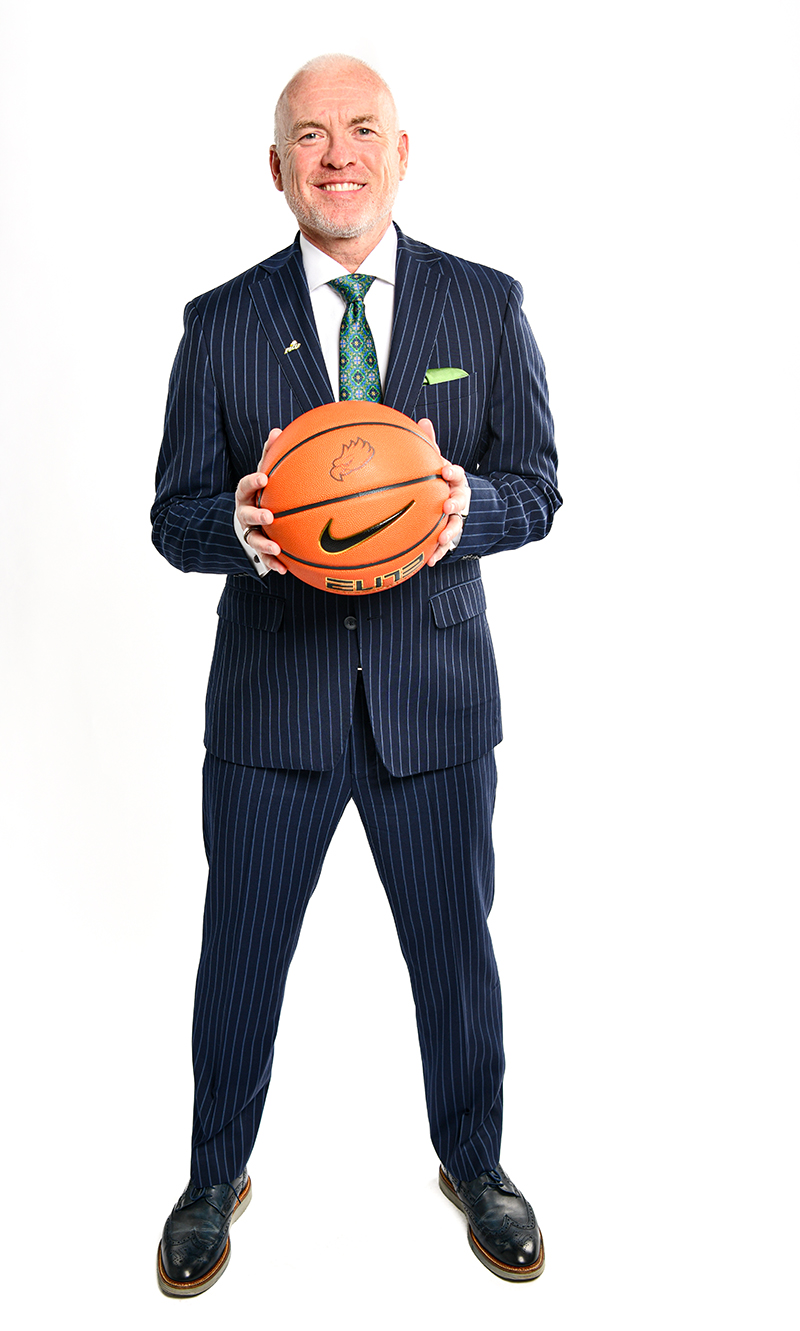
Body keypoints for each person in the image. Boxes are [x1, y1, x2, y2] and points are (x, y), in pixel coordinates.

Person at [152, 53, 561, 1295]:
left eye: (361, 130)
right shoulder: (219, 324)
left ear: (400, 151)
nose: (339, 154)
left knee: (455, 957)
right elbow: (171, 518)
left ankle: (474, 1160)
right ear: (277, 168)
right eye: (311, 136)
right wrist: (235, 523)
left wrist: (461, 510)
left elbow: (539, 488)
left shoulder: (483, 305)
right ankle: (213, 1174)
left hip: (431, 708)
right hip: (272, 712)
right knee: (240, 954)